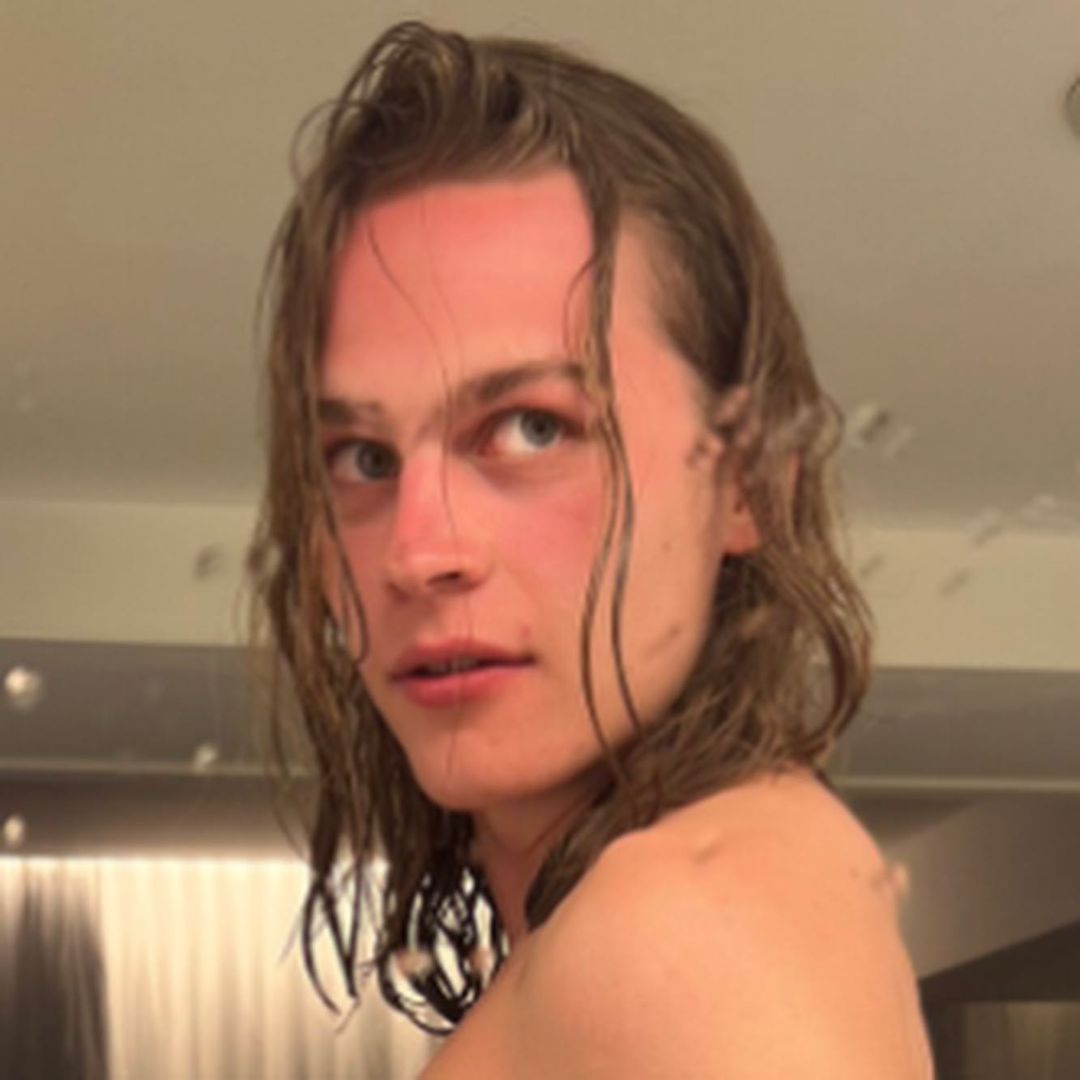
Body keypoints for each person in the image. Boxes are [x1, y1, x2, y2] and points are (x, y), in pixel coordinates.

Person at [246, 19, 935, 1078]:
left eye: (531, 428)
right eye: (364, 459)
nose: (415, 554)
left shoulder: (682, 928)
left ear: (749, 482)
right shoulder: (676, 901)